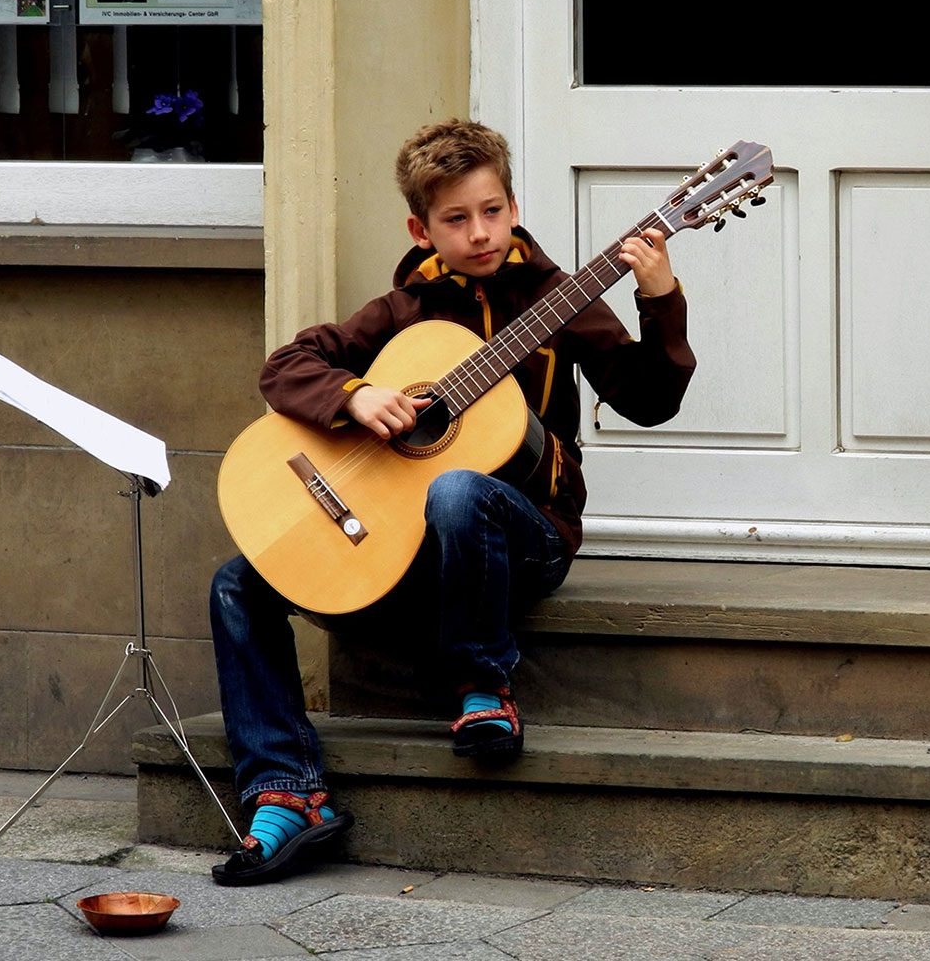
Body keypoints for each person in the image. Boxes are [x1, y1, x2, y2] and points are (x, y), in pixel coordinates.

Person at [208, 119, 696, 886]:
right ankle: (289, 791)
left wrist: (659, 297)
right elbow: (288, 366)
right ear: (422, 226)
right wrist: (357, 395)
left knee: (461, 487)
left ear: (511, 203)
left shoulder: (558, 298)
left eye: (493, 210)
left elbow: (650, 400)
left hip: (526, 537)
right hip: (412, 556)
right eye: (457, 219)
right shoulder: (407, 312)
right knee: (238, 582)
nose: (481, 233)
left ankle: (481, 685)